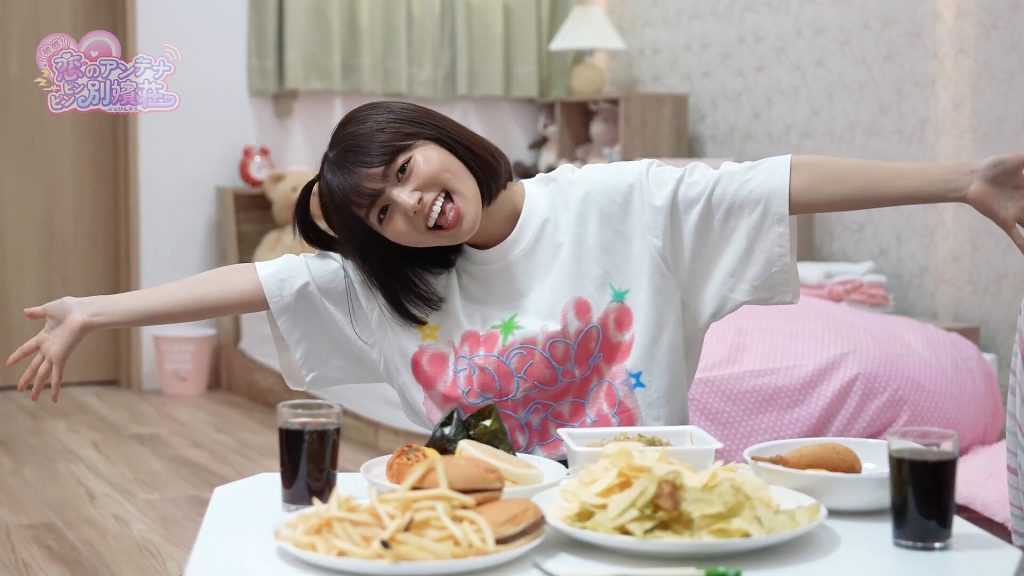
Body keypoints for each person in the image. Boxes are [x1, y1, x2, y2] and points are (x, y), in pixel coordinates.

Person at [7, 101, 1024, 458]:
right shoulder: (402, 281)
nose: (412, 205)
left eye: (408, 169)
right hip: (486, 529)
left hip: (640, 513)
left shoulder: (614, 200)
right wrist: (97, 308)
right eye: (382, 211)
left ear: (439, 139)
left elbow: (774, 181)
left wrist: (960, 180)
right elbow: (257, 282)